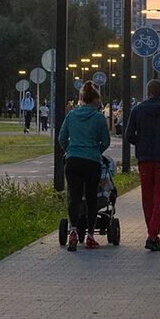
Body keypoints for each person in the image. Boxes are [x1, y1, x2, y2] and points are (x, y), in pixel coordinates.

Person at [124, 79, 160, 252]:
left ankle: (152, 233)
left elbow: (129, 135)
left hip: (144, 158)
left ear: (148, 91)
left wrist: (141, 142)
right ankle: (152, 234)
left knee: (147, 196)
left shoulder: (138, 110)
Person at [58, 81, 112, 251]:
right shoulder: (98, 117)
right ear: (95, 99)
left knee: (74, 196)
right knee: (91, 198)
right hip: (92, 161)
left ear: (81, 98)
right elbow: (106, 141)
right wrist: (96, 151)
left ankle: (73, 231)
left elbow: (61, 138)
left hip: (73, 160)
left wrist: (70, 150)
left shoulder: (72, 115)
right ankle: (90, 235)